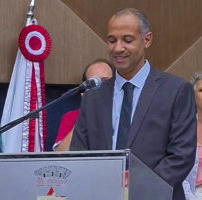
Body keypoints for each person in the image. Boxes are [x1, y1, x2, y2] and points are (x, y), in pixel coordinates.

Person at [70, 8, 197, 200]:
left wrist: (134, 191)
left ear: (147, 40)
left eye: (127, 40)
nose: (118, 48)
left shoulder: (176, 90)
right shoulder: (93, 97)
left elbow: (181, 155)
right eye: (112, 40)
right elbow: (79, 154)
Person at [53, 59, 113, 151]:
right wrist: (86, 108)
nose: (100, 88)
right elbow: (61, 154)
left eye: (104, 81)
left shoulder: (125, 111)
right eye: (93, 83)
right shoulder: (71, 117)